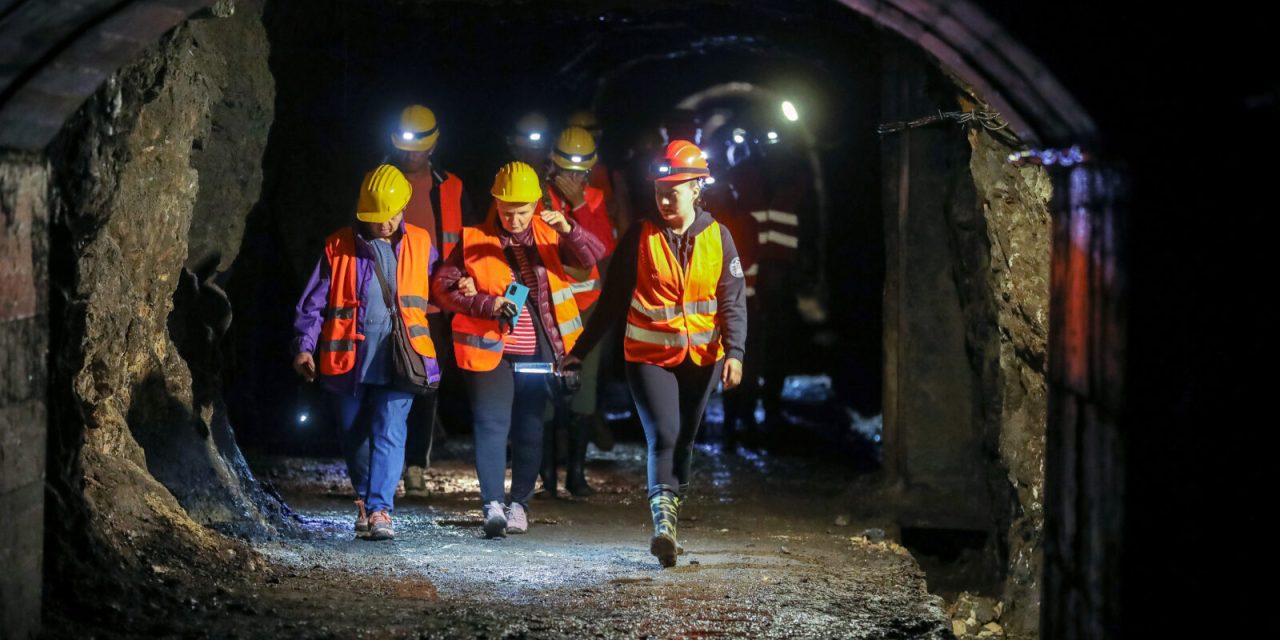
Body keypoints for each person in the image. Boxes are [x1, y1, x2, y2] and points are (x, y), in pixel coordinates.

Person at [560, 140, 747, 567]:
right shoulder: (640, 237)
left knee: (684, 440)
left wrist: (734, 352)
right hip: (647, 356)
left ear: (697, 187)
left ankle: (671, 520)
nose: (663, 198)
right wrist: (580, 351)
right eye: (659, 189)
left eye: (674, 190)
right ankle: (662, 526)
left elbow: (732, 300)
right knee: (663, 434)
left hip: (703, 358)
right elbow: (612, 302)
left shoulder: (720, 238)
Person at [431, 161, 605, 538]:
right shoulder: (474, 238)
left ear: (536, 205)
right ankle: (493, 505)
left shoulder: (549, 233)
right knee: (492, 425)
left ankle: (520, 505)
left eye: (522, 211)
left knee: (528, 426)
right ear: (496, 203)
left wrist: (571, 228)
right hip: (489, 350)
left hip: (537, 353)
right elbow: (441, 287)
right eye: (507, 211)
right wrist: (483, 304)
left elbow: (593, 258)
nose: (514, 219)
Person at [291, 164, 441, 541]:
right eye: (377, 218)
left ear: (403, 208)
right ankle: (364, 497)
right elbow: (313, 305)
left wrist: (471, 291)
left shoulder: (422, 244)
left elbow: (443, 286)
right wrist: (304, 347)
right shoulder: (337, 245)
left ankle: (380, 510)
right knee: (354, 435)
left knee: (390, 430)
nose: (385, 224)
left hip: (401, 357)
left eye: (391, 215)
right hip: (348, 360)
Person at [386, 104, 474, 494]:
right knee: (385, 384)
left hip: (433, 307)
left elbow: (470, 242)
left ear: (433, 146)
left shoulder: (451, 188)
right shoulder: (379, 182)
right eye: (405, 145)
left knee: (426, 384)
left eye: (418, 146)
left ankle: (416, 466)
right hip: (386, 302)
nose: (411, 154)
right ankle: (384, 467)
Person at [538, 126, 614, 498]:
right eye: (565, 170)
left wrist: (580, 207)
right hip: (548, 305)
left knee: (585, 386)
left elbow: (603, 247)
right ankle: (548, 478)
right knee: (547, 387)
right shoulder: (538, 198)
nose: (573, 179)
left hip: (587, 309)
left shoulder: (595, 199)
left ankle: (577, 475)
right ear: (551, 165)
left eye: (579, 172)